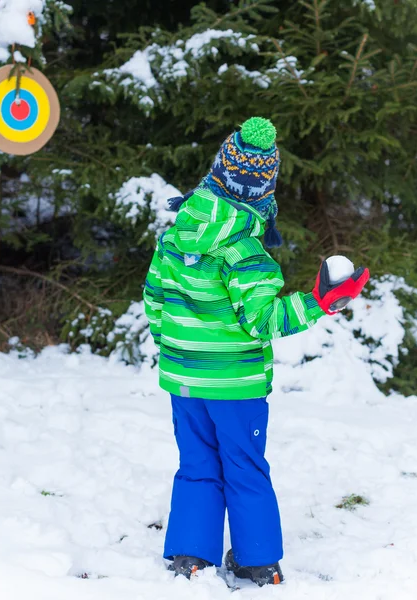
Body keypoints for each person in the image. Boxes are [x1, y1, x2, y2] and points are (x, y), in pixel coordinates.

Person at [143, 117, 369, 586]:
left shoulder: (175, 236)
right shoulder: (245, 252)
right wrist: (320, 302)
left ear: (218, 174)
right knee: (244, 466)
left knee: (197, 464)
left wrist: (176, 348)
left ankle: (191, 555)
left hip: (185, 381)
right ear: (263, 190)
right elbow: (263, 320)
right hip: (236, 386)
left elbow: (154, 300)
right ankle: (257, 560)